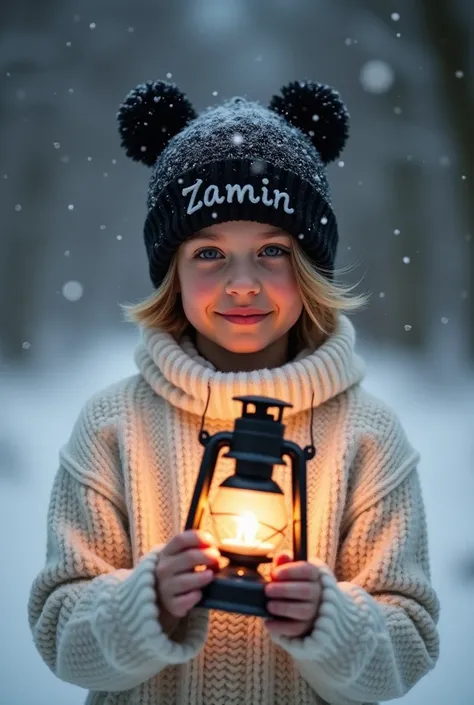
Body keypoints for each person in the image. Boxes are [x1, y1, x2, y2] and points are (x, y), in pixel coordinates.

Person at [27, 78, 440, 705]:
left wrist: (331, 620)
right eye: (210, 253)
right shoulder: (114, 424)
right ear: (172, 271)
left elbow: (409, 641)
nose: (242, 283)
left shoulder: (368, 435)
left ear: (310, 269)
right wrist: (147, 602)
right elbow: (59, 630)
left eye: (272, 250)